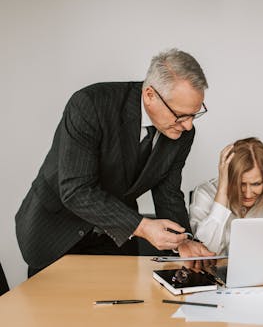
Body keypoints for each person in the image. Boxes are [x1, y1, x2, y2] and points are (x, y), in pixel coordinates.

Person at [16, 48, 213, 276]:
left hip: (114, 240)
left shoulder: (182, 133)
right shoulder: (90, 104)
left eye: (195, 114)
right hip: (55, 231)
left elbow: (168, 194)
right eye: (181, 115)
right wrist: (142, 226)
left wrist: (183, 242)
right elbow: (76, 190)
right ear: (150, 95)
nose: (188, 125)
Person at [189, 137, 263, 255]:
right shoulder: (206, 193)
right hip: (217, 273)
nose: (248, 193)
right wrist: (223, 192)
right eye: (241, 184)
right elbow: (205, 253)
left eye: (256, 184)